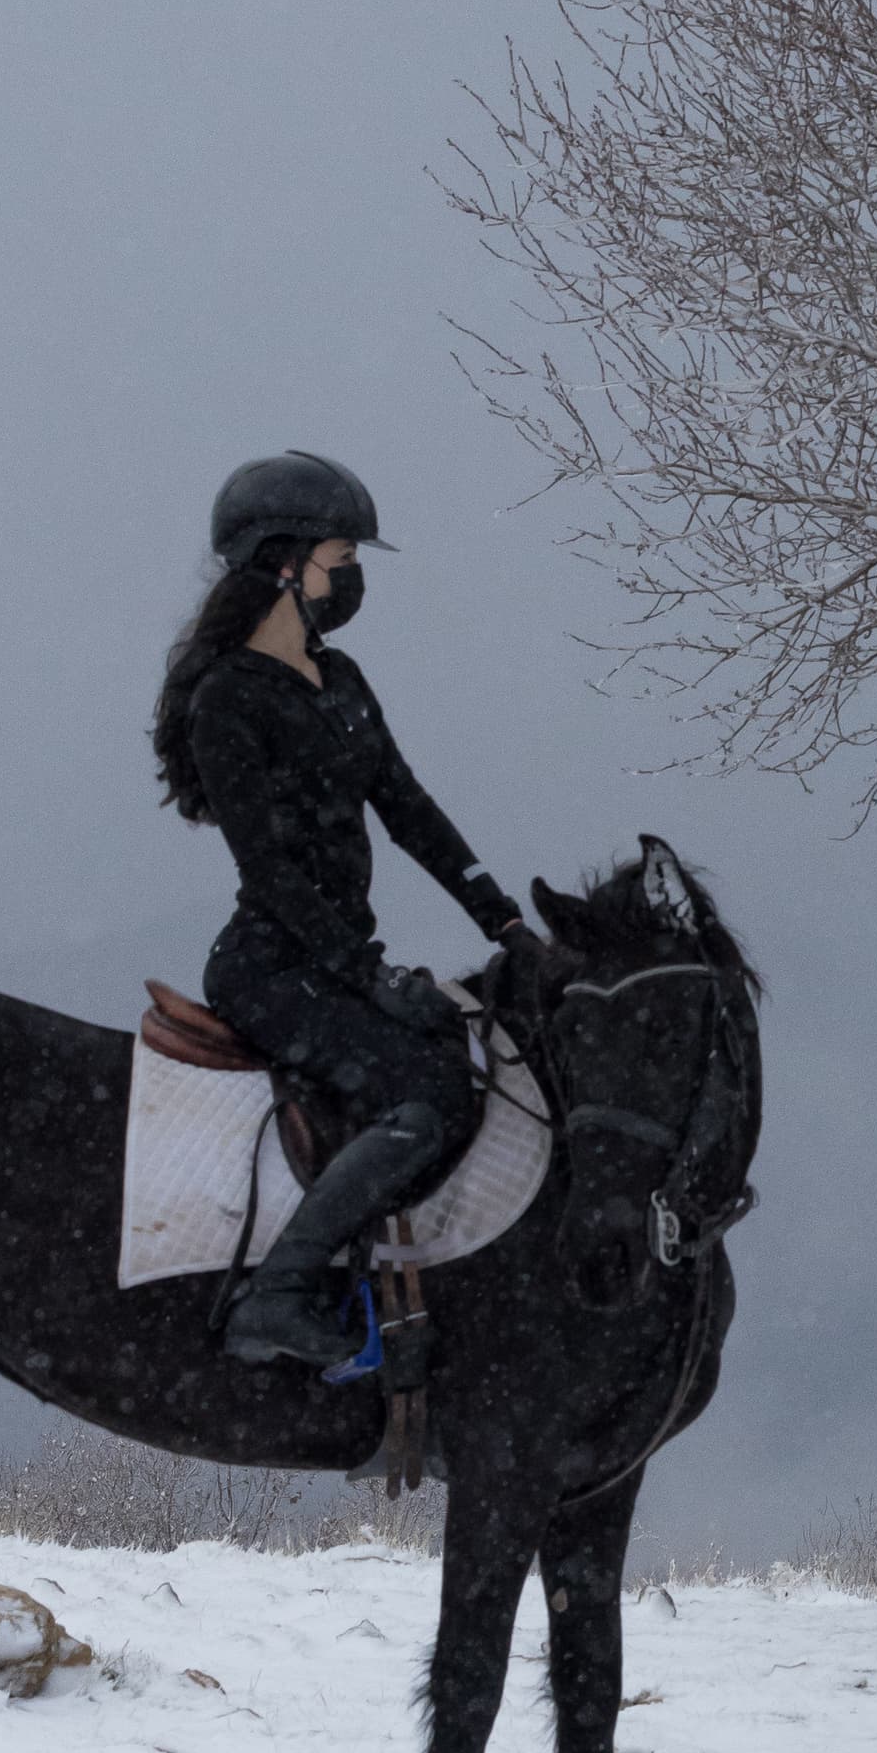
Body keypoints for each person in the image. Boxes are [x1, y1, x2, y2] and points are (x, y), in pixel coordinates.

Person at [151, 450, 545, 1375]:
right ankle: (277, 1296)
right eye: (341, 556)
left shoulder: (345, 680)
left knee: (464, 1055)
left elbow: (409, 809)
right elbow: (274, 872)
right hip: (270, 964)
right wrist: (367, 974)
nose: (352, 577)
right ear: (283, 564)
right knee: (430, 1094)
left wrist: (506, 922)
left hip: (331, 957)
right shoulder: (229, 702)